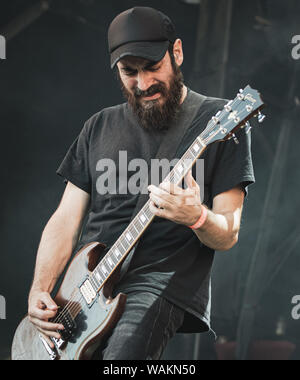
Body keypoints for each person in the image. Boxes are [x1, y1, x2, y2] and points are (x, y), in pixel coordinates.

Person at [27, 7, 255, 360]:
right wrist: (41, 289)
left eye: (152, 67)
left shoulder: (218, 120)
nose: (143, 83)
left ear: (176, 53)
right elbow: (65, 219)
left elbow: (228, 232)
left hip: (159, 284)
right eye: (129, 72)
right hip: (81, 294)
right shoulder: (98, 126)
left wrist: (196, 217)